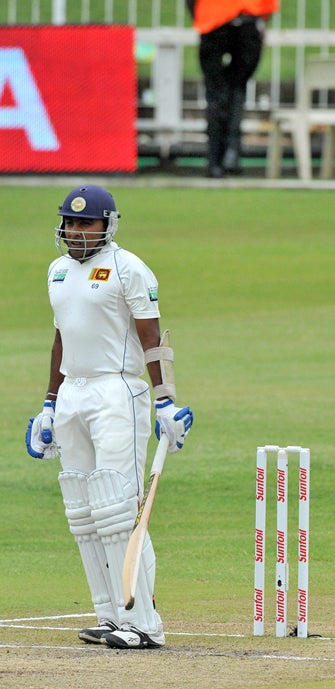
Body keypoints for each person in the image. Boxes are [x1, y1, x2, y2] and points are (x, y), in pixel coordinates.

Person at [25, 185, 194, 648]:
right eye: (70, 223)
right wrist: (48, 403)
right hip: (74, 392)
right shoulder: (57, 271)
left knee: (118, 509)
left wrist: (165, 399)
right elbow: (62, 339)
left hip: (117, 390)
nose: (76, 231)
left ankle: (144, 624)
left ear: (107, 225)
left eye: (86, 223)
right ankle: (110, 615)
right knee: (83, 509)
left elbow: (152, 337)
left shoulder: (128, 268)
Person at [186, 0, 279, 178]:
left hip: (212, 21)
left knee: (215, 93)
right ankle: (232, 153)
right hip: (247, 22)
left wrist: (201, 18)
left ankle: (214, 161)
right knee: (237, 89)